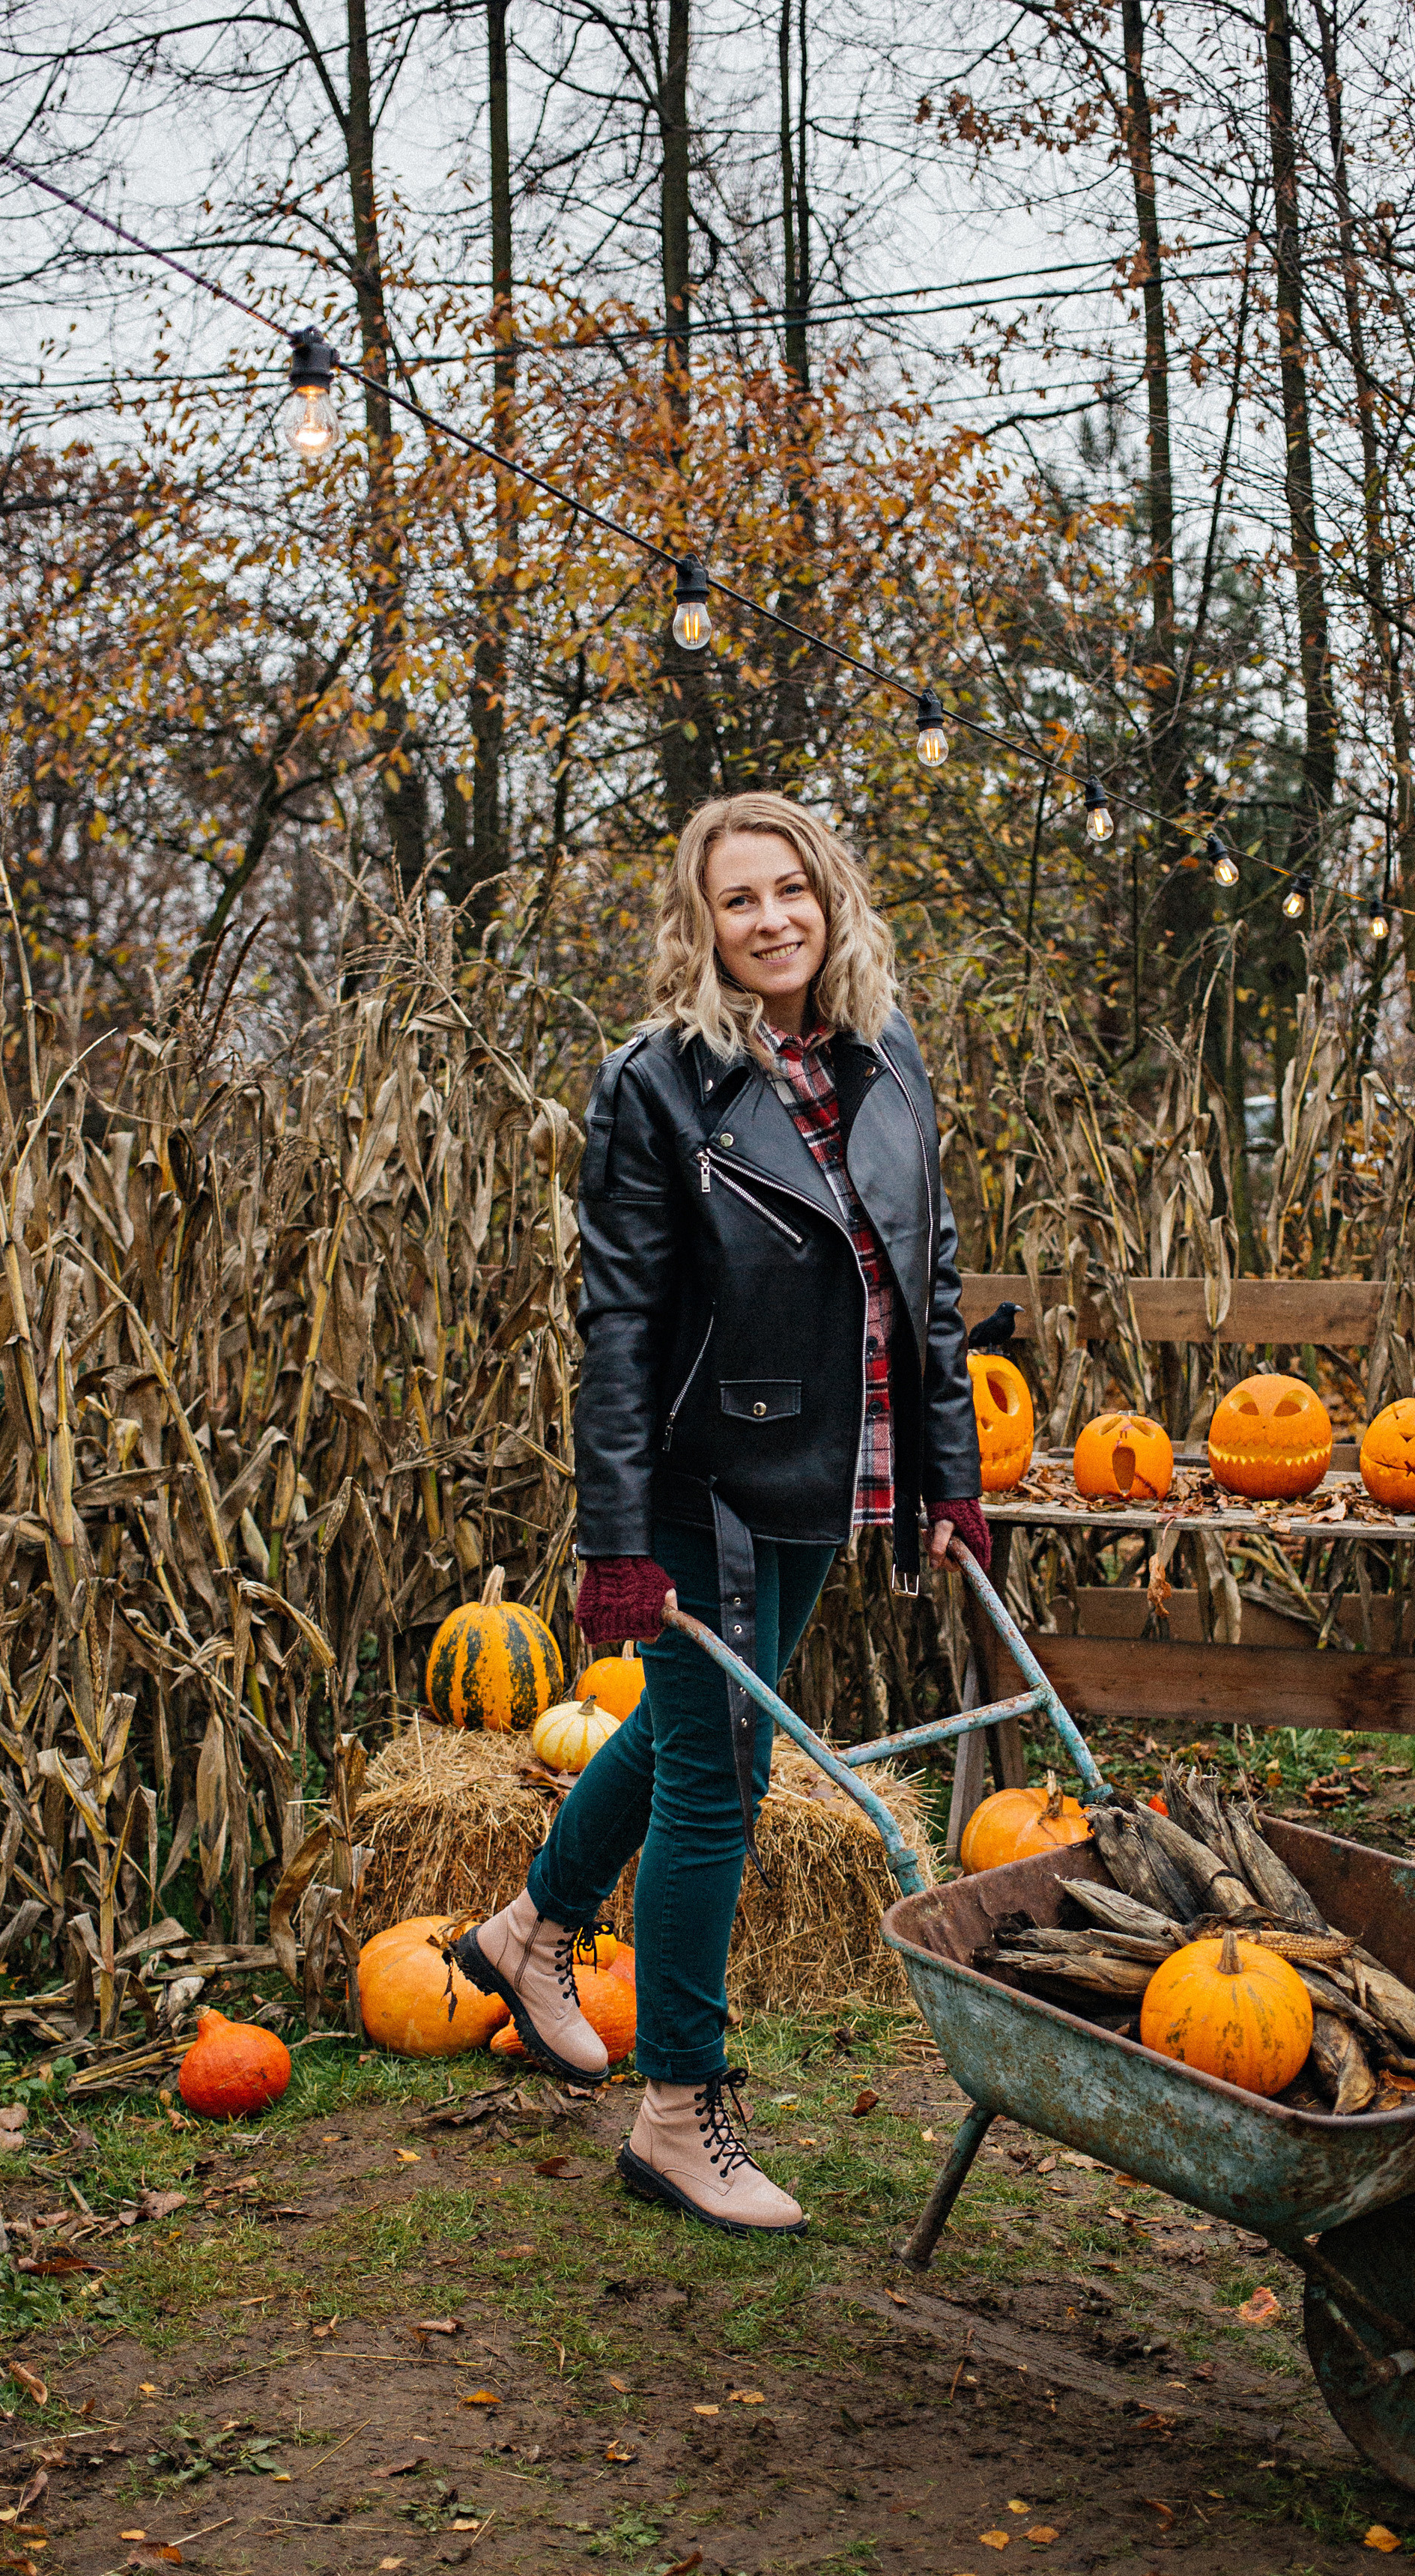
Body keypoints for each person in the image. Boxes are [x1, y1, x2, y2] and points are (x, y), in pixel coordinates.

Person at [460, 790, 990, 2237]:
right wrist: (616, 1541)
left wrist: (953, 1472)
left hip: (839, 1464)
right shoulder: (659, 1083)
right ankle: (680, 2114)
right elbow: (619, 1328)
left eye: (791, 891)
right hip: (705, 1479)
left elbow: (925, 1283)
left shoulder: (890, 1061)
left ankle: (529, 1927)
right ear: (701, 928)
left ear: (833, 899)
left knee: (693, 1730)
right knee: (721, 1775)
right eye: (738, 901)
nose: (771, 921)